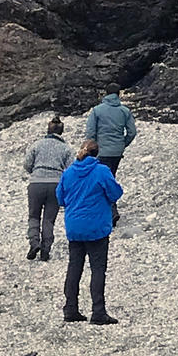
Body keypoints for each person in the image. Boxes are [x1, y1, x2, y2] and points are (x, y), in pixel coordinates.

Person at [57, 138, 122, 325]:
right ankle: (98, 311)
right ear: (96, 154)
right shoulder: (101, 171)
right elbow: (115, 193)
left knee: (74, 267)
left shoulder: (68, 173)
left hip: (74, 227)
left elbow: (60, 198)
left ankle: (70, 309)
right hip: (97, 227)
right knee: (98, 269)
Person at [21, 115, 69, 262]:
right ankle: (45, 250)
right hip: (55, 184)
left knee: (34, 216)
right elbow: (70, 169)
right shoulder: (66, 148)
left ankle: (34, 243)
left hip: (36, 183)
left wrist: (36, 172)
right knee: (49, 219)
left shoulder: (37, 145)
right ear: (61, 132)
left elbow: (27, 164)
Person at [86, 91, 137, 173]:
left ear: (106, 93)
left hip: (101, 151)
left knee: (99, 177)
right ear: (119, 94)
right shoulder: (125, 111)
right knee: (111, 176)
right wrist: (123, 144)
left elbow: (90, 132)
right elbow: (132, 132)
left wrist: (92, 148)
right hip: (117, 151)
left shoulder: (96, 110)